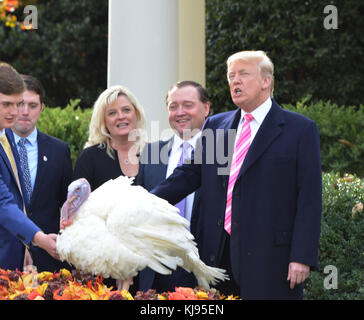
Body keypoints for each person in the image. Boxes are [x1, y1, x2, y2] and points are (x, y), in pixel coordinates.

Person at [150, 51, 322, 299]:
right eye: (231, 76)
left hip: (272, 259)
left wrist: (302, 257)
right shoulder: (216, 126)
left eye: (243, 74)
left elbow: (309, 198)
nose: (235, 81)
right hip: (217, 258)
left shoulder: (300, 129)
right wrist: (141, 200)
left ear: (266, 81)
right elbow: (188, 175)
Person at [73, 85, 147, 291]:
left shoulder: (154, 154)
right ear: (103, 120)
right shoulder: (90, 157)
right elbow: (78, 214)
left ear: (136, 113)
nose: (120, 117)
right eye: (112, 113)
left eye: (126, 110)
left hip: (149, 263)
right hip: (104, 265)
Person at [138, 80, 210, 292]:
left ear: (206, 108)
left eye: (188, 105)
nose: (180, 112)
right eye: (173, 106)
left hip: (203, 272)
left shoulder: (222, 154)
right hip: (155, 274)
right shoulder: (150, 153)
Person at [6, 74, 73, 272]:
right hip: (6, 257)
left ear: (42, 108)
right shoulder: (2, 147)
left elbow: (67, 206)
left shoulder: (59, 151)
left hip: (49, 261)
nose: (25, 112)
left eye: (32, 105)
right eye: (20, 104)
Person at [0, 62, 59, 271]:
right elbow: (3, 203)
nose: (16, 112)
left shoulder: (5, 139)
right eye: (7, 104)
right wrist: (39, 238)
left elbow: (14, 200)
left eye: (17, 103)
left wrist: (26, 243)